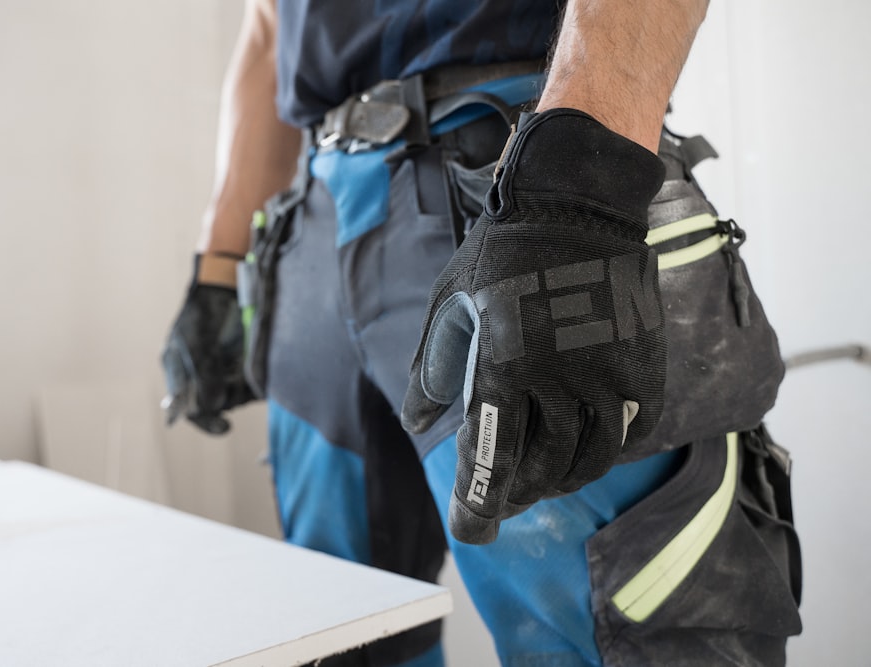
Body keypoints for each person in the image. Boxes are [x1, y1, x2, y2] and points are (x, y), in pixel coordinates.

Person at [161, 1, 803, 665]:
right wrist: (219, 265)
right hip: (316, 223)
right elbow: (269, 22)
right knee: (337, 634)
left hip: (519, 178)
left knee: (623, 641)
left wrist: (575, 189)